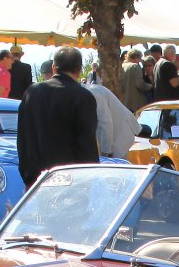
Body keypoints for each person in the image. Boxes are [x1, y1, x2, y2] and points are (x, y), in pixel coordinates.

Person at [18, 46, 99, 185]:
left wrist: (27, 174)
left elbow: (23, 135)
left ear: (54, 68)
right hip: (70, 178)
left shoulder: (32, 92)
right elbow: (86, 142)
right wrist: (89, 178)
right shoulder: (83, 97)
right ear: (79, 70)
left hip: (36, 177)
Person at [85, 70, 140, 158]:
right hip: (109, 135)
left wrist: (104, 154)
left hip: (121, 133)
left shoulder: (93, 93)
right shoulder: (87, 92)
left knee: (117, 164)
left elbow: (106, 123)